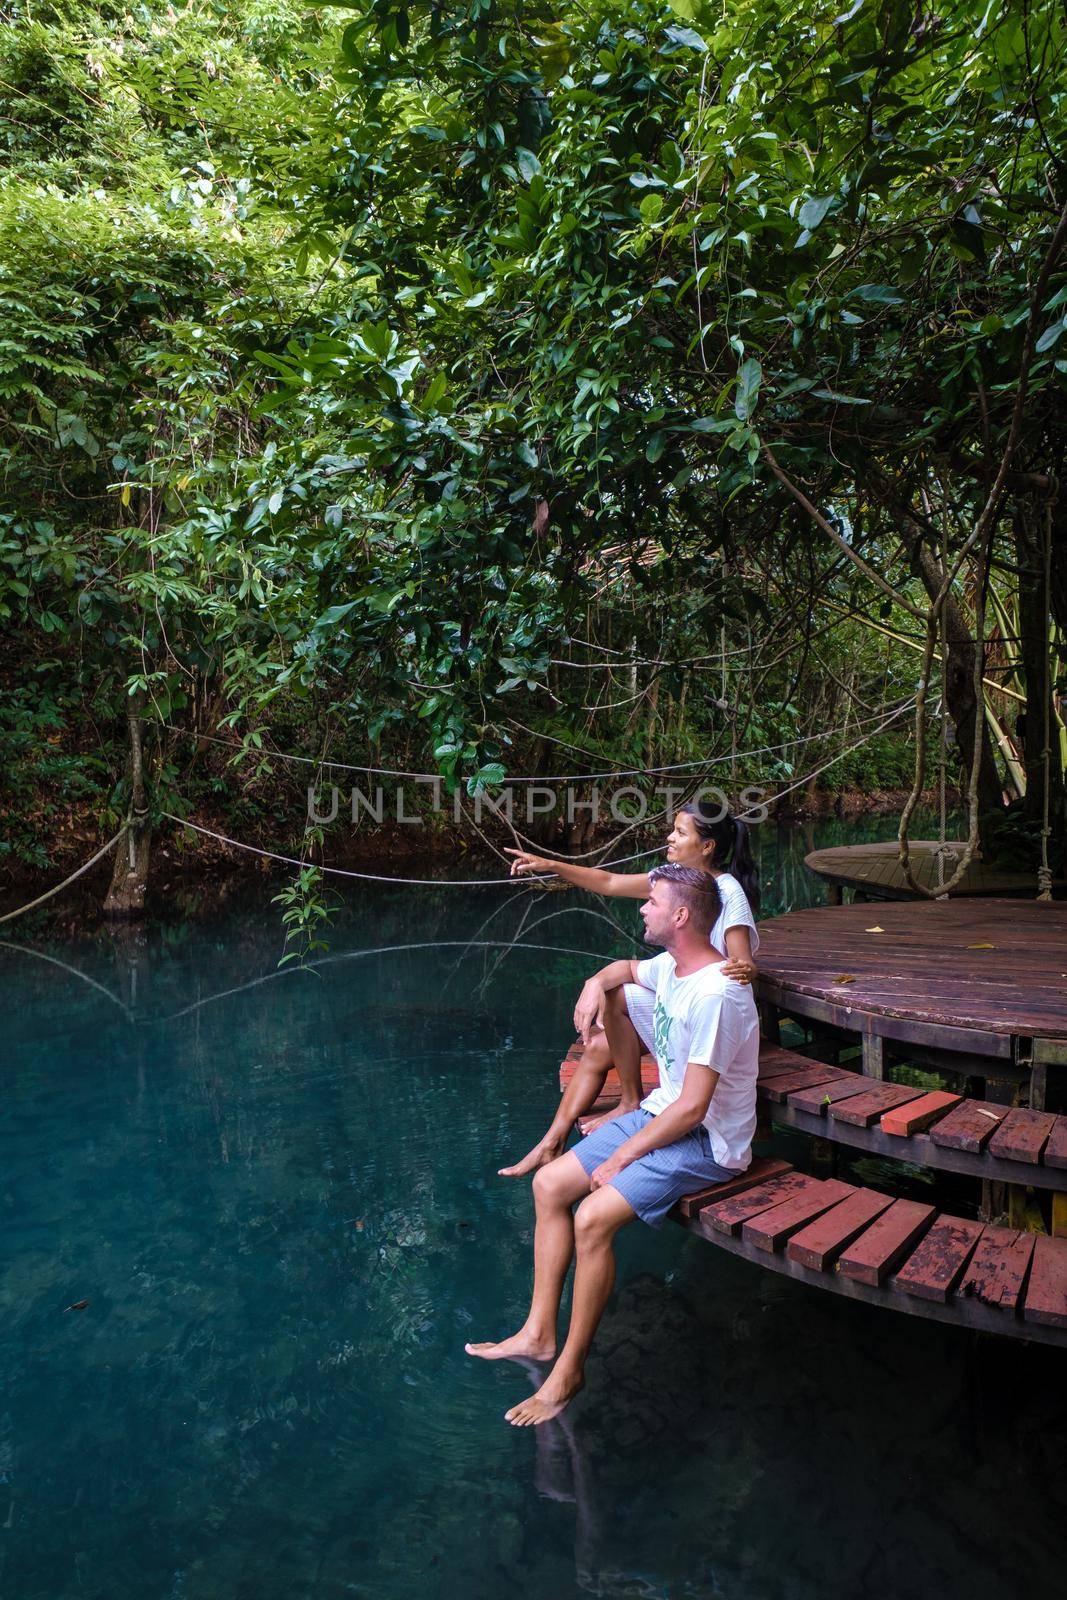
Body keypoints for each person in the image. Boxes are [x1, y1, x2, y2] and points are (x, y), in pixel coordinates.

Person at [465, 864, 760, 1425]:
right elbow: (625, 968)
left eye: (651, 902)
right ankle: (539, 1333)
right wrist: (593, 984)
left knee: (592, 1218)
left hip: (707, 1142)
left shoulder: (718, 993)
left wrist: (625, 1154)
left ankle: (569, 1372)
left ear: (679, 916)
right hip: (661, 1114)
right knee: (551, 1185)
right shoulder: (674, 967)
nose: (642, 909)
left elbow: (695, 1107)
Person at [499, 803, 759, 1177]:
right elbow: (608, 882)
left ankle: (610, 1115)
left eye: (681, 833)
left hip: (710, 1017)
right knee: (607, 1019)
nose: (670, 837)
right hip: (678, 996)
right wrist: (552, 865)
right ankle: (559, 1138)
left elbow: (741, 963)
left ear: (707, 847)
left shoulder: (726, 891)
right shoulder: (674, 880)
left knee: (601, 1046)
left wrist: (746, 968)